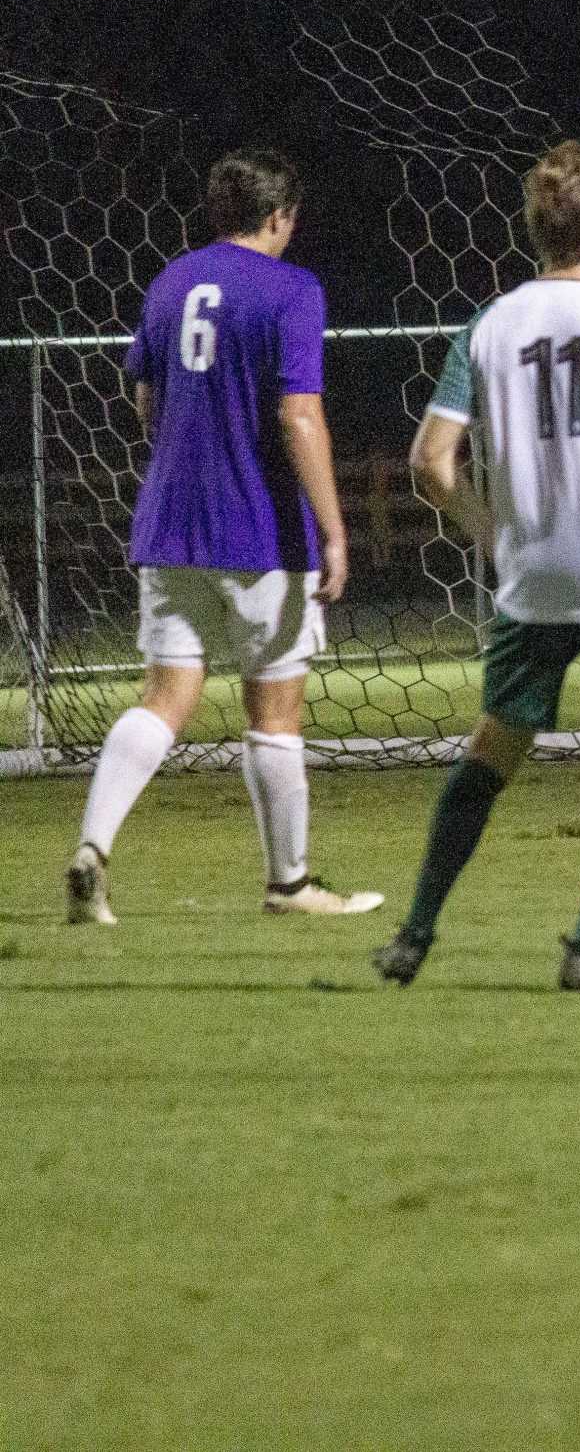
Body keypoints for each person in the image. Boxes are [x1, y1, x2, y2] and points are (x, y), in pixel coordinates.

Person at [372, 141, 580, 992]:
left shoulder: (488, 326)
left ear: (537, 227)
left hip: (529, 578)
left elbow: (430, 462)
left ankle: (414, 933)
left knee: (495, 745)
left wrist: (491, 534)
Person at [64, 148, 381, 923]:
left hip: (170, 522)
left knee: (166, 698)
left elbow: (145, 396)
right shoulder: (293, 289)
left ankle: (92, 848)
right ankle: (291, 885)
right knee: (273, 714)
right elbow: (298, 413)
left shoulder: (170, 281)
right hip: (262, 532)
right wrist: (335, 530)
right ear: (280, 217)